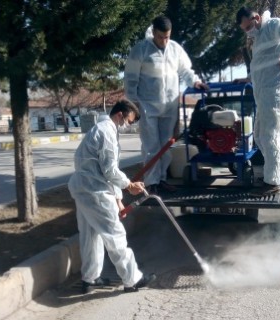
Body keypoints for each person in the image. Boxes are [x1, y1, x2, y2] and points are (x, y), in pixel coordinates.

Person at [68, 99, 156, 294]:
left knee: (90, 236)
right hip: (95, 192)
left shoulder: (101, 130)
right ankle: (132, 279)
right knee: (115, 235)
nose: (129, 125)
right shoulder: (107, 132)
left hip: (84, 189)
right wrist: (129, 185)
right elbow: (110, 170)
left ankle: (90, 279)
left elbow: (104, 170)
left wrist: (118, 199)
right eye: (129, 121)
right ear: (119, 115)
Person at [124, 15, 209, 194]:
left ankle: (162, 179)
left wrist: (195, 82)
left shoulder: (175, 49)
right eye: (161, 36)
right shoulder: (140, 50)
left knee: (165, 146)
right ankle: (152, 183)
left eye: (167, 37)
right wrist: (133, 104)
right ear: (153, 32)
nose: (164, 40)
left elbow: (185, 70)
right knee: (151, 147)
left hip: (169, 106)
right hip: (147, 106)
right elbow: (130, 80)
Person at [235, 6, 280, 196]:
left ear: (256, 18)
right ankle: (274, 170)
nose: (248, 32)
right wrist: (248, 78)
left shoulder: (272, 25)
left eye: (248, 27)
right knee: (258, 135)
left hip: (276, 88)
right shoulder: (258, 40)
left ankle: (272, 183)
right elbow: (261, 67)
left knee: (271, 134)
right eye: (245, 29)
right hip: (264, 91)